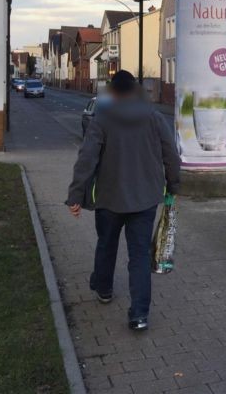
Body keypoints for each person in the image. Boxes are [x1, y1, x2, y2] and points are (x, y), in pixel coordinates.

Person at [66, 70, 180, 331]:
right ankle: (139, 315)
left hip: (109, 197)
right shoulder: (154, 117)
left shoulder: (102, 119)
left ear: (114, 93)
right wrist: (173, 187)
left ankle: (104, 290)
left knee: (106, 244)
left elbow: (86, 159)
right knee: (139, 255)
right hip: (145, 199)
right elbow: (171, 155)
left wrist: (75, 195)